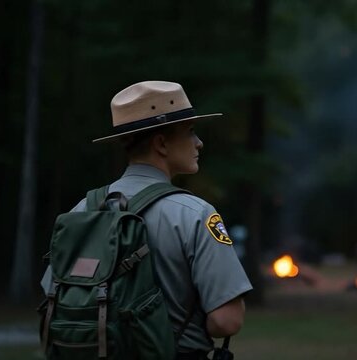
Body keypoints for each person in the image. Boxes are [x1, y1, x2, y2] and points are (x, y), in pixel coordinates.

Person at [40, 80, 253, 359]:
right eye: (190, 132)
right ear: (161, 143)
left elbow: (52, 297)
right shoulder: (196, 214)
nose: (199, 142)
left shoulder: (81, 211)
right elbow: (226, 321)